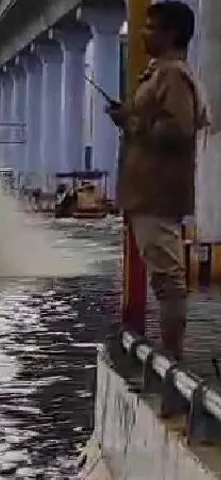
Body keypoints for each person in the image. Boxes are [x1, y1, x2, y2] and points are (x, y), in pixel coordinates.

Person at [106, 1, 211, 360]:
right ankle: (169, 359)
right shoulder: (160, 74)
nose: (142, 33)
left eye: (151, 28)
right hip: (146, 193)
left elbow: (179, 129)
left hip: (156, 193)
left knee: (168, 280)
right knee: (165, 278)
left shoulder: (171, 75)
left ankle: (173, 362)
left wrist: (131, 123)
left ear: (171, 34)